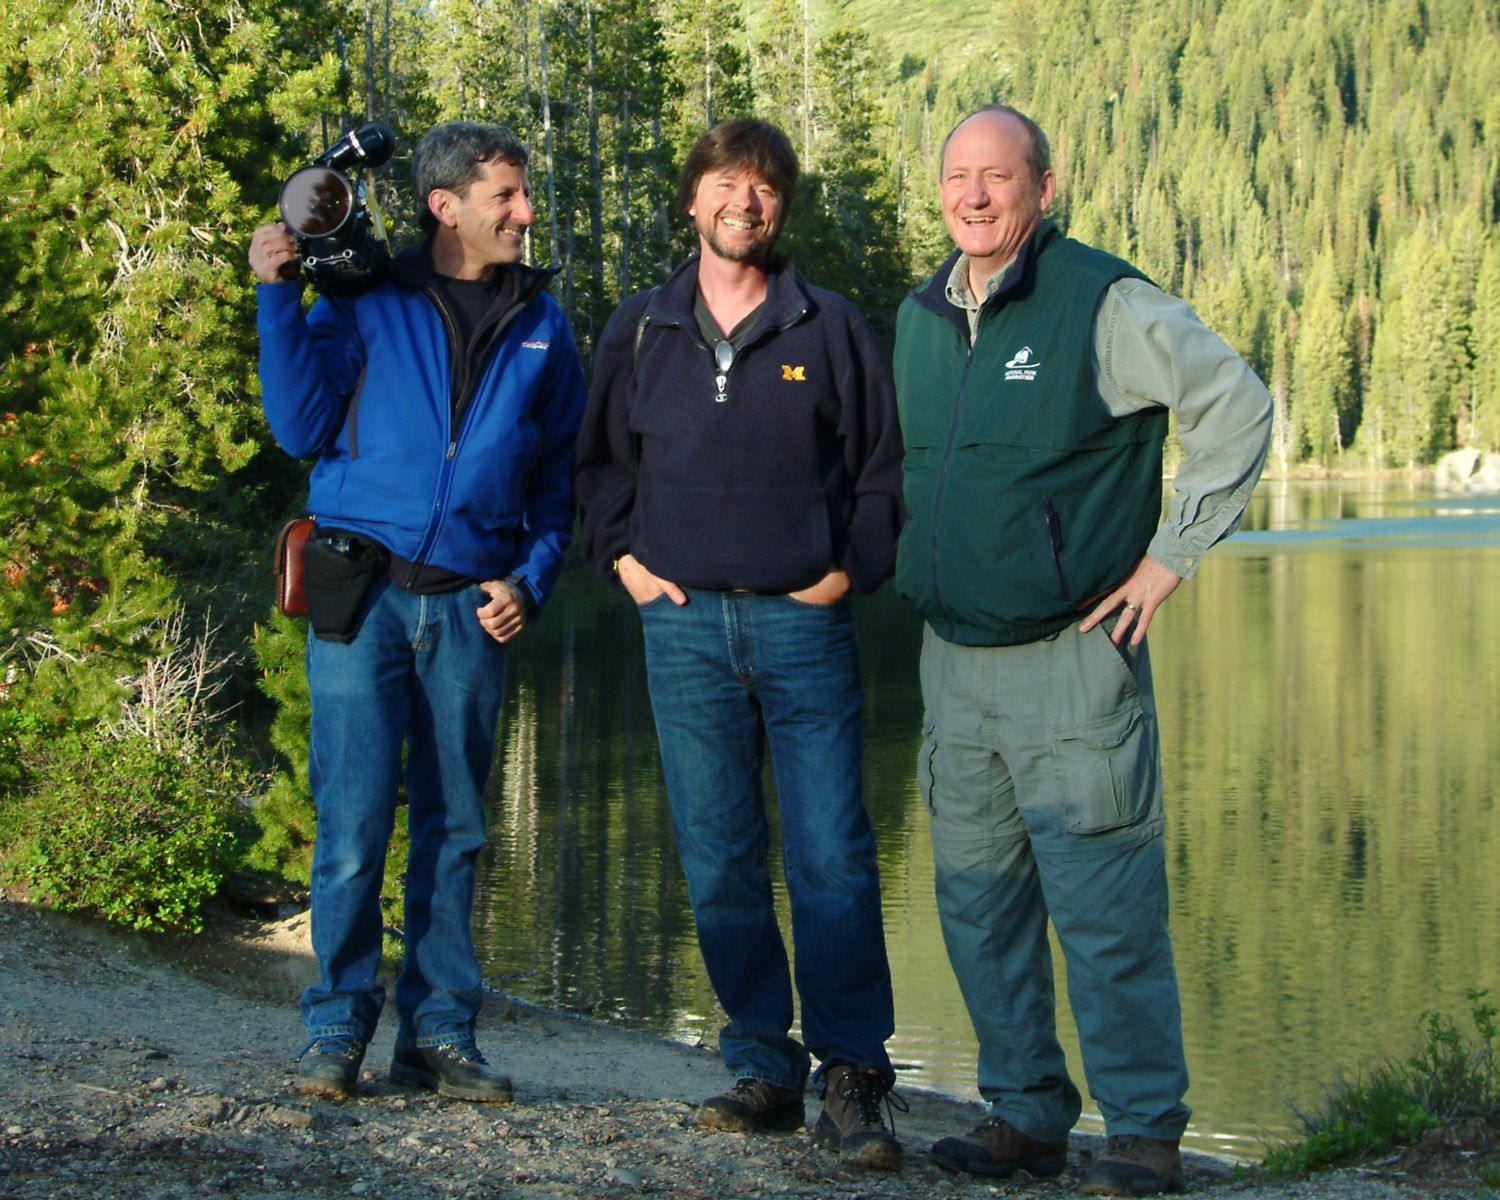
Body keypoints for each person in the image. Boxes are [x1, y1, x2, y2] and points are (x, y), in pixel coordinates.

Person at [894, 105, 1272, 1196]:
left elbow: (1237, 407)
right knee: (977, 901)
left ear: (1043, 190)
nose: (973, 196)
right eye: (957, 177)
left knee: (1103, 907)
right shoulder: (921, 315)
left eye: (997, 178)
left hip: (1072, 662)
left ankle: (1146, 1133)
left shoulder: (1104, 301)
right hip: (951, 661)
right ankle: (1025, 1116)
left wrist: (1170, 559)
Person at [575, 119, 906, 1170]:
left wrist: (846, 574)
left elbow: (882, 474)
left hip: (803, 626)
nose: (745, 202)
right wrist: (627, 568)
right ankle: (764, 1062)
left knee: (834, 859)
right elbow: (597, 475)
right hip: (683, 633)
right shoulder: (639, 330)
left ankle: (851, 1074)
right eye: (725, 184)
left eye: (764, 188)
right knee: (719, 858)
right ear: (692, 200)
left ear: (782, 206)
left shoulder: (831, 325)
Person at [249, 121, 585, 1103]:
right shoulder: (366, 297)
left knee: (459, 830)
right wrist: (280, 298)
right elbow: (300, 427)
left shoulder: (544, 323)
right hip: (364, 596)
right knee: (352, 825)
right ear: (447, 207)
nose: (526, 213)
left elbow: (559, 478)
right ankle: (339, 1030)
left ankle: (438, 1032)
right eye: (507, 198)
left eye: (525, 196)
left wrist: (531, 577)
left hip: (473, 608)